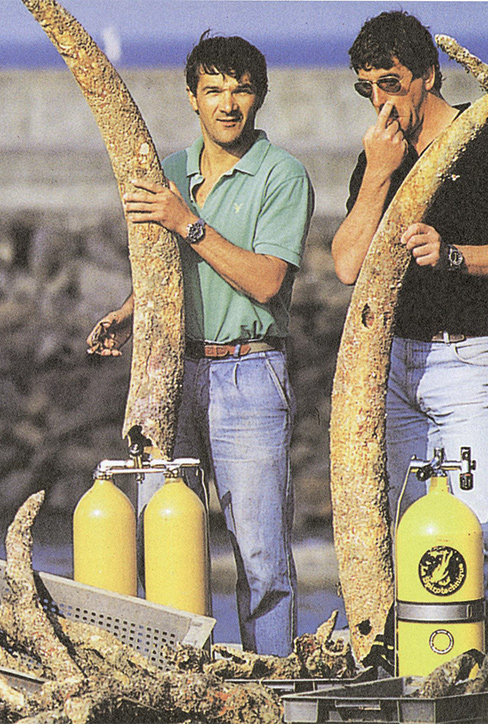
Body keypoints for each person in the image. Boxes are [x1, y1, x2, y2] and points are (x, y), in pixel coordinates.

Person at [330, 10, 488, 671]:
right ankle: (437, 672)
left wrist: (453, 255)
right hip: (394, 365)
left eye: (391, 81)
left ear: (428, 74)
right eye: (366, 86)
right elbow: (347, 265)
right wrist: (378, 174)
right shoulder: (377, 156)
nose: (380, 99)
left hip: (467, 357)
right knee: (413, 531)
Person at [86, 33, 313, 656]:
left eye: (240, 88)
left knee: (261, 558)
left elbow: (267, 281)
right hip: (172, 371)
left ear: (259, 95)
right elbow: (169, 270)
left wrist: (183, 220)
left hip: (249, 372)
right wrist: (132, 313)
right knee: (168, 548)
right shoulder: (171, 174)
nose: (227, 103)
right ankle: (179, 686)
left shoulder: (283, 175)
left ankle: (272, 689)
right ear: (192, 98)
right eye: (213, 90)